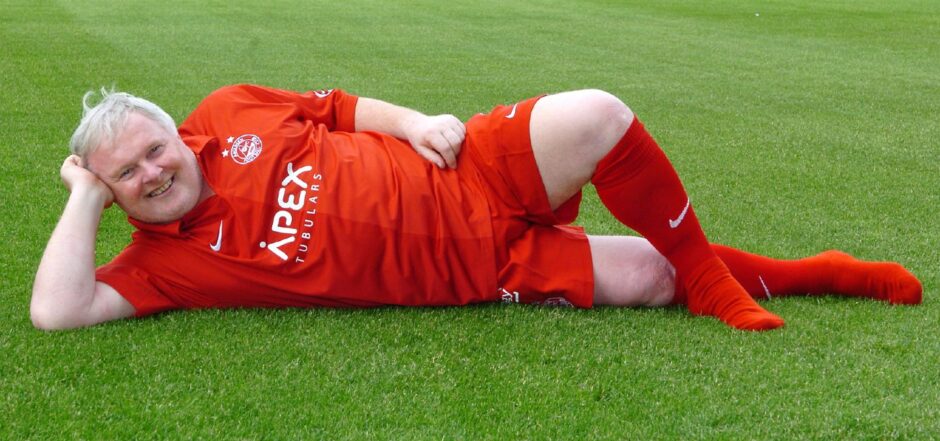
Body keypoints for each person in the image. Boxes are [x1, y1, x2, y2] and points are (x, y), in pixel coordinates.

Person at [31, 84, 923, 331]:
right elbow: (57, 309)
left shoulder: (229, 113)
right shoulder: (158, 267)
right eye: (124, 176)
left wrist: (416, 120)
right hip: (478, 270)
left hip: (468, 174)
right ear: (108, 189)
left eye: (154, 150)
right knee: (651, 279)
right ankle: (829, 275)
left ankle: (714, 275)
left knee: (598, 115)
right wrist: (79, 198)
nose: (151, 173)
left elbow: (338, 109)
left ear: (176, 135)